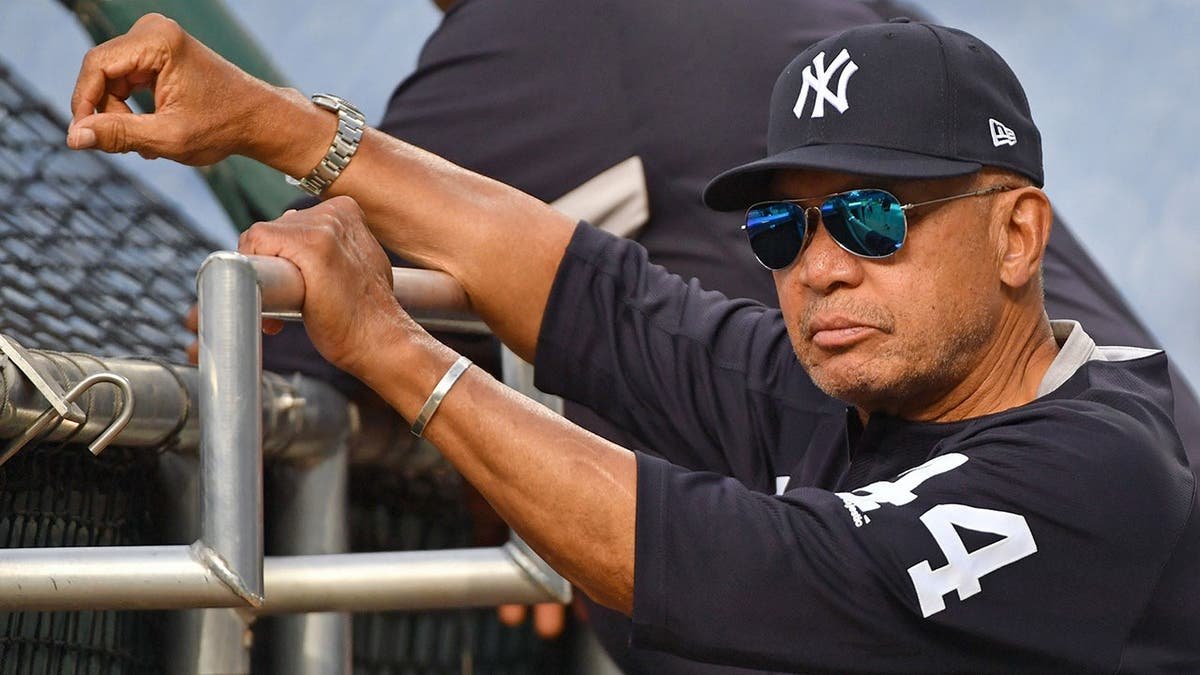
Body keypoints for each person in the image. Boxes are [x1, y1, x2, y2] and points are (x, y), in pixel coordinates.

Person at [68, 15, 1199, 672]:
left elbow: (721, 567)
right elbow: (589, 291)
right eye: (780, 227)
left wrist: (390, 346)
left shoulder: (1101, 471)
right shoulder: (854, 391)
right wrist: (269, 121)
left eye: (871, 215)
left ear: (1017, 237)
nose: (821, 265)